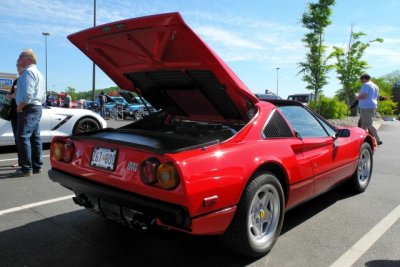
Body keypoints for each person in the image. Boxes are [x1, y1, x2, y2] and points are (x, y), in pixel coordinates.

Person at [10, 49, 45, 177]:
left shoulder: (27, 73)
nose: (18, 59)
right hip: (36, 107)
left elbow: (28, 94)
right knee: (35, 137)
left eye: (20, 56)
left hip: (28, 108)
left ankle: (26, 169)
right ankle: (37, 166)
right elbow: (42, 96)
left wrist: (21, 105)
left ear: (28, 58)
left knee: (22, 136)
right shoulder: (39, 73)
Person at [7, 63, 25, 167]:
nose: (18, 69)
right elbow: (10, 95)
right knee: (17, 138)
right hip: (14, 112)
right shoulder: (16, 81)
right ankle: (20, 160)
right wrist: (10, 96)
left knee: (23, 138)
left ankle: (26, 161)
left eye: (19, 67)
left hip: (22, 111)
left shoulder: (26, 80)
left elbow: (28, 95)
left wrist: (16, 94)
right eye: (17, 67)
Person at [357, 73, 382, 145]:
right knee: (363, 124)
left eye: (361, 80)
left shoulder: (366, 84)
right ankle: (362, 139)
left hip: (366, 106)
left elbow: (364, 95)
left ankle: (378, 139)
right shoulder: (376, 86)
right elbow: (377, 97)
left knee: (369, 124)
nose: (361, 82)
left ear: (364, 79)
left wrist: (357, 97)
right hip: (372, 106)